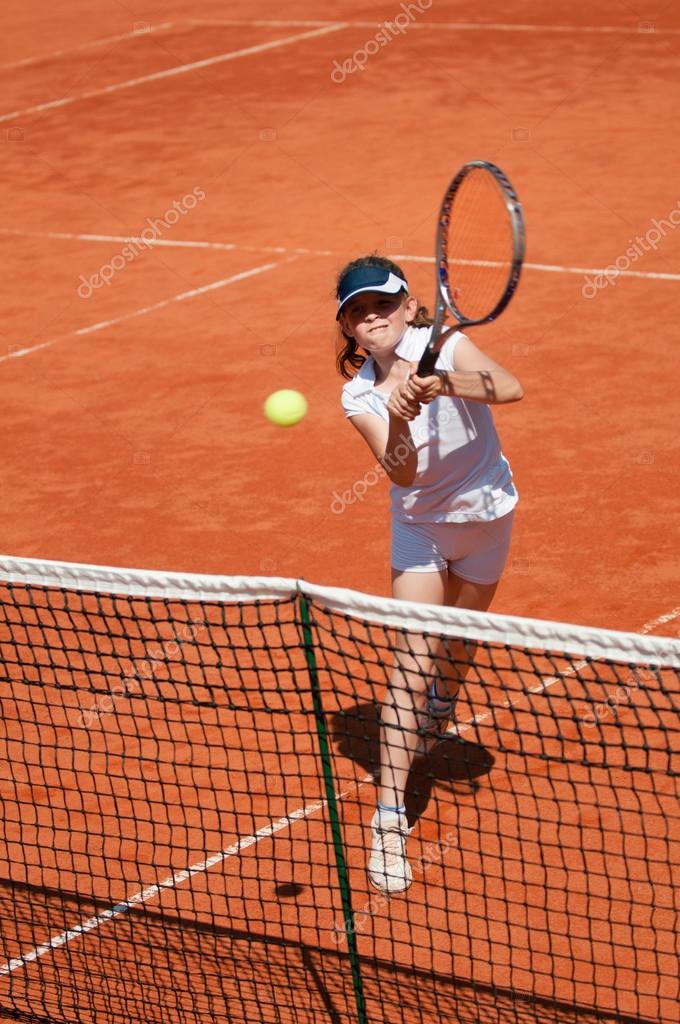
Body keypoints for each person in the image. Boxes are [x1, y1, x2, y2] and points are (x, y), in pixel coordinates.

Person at [336, 254, 524, 894]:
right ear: (351, 331)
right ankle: (388, 822)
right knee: (411, 668)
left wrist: (442, 384)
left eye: (382, 305)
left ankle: (444, 701)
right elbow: (402, 473)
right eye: (358, 314)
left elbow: (509, 387)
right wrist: (399, 414)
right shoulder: (358, 392)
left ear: (411, 307)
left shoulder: (445, 343)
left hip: (488, 513)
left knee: (460, 644)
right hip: (419, 527)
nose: (372, 319)